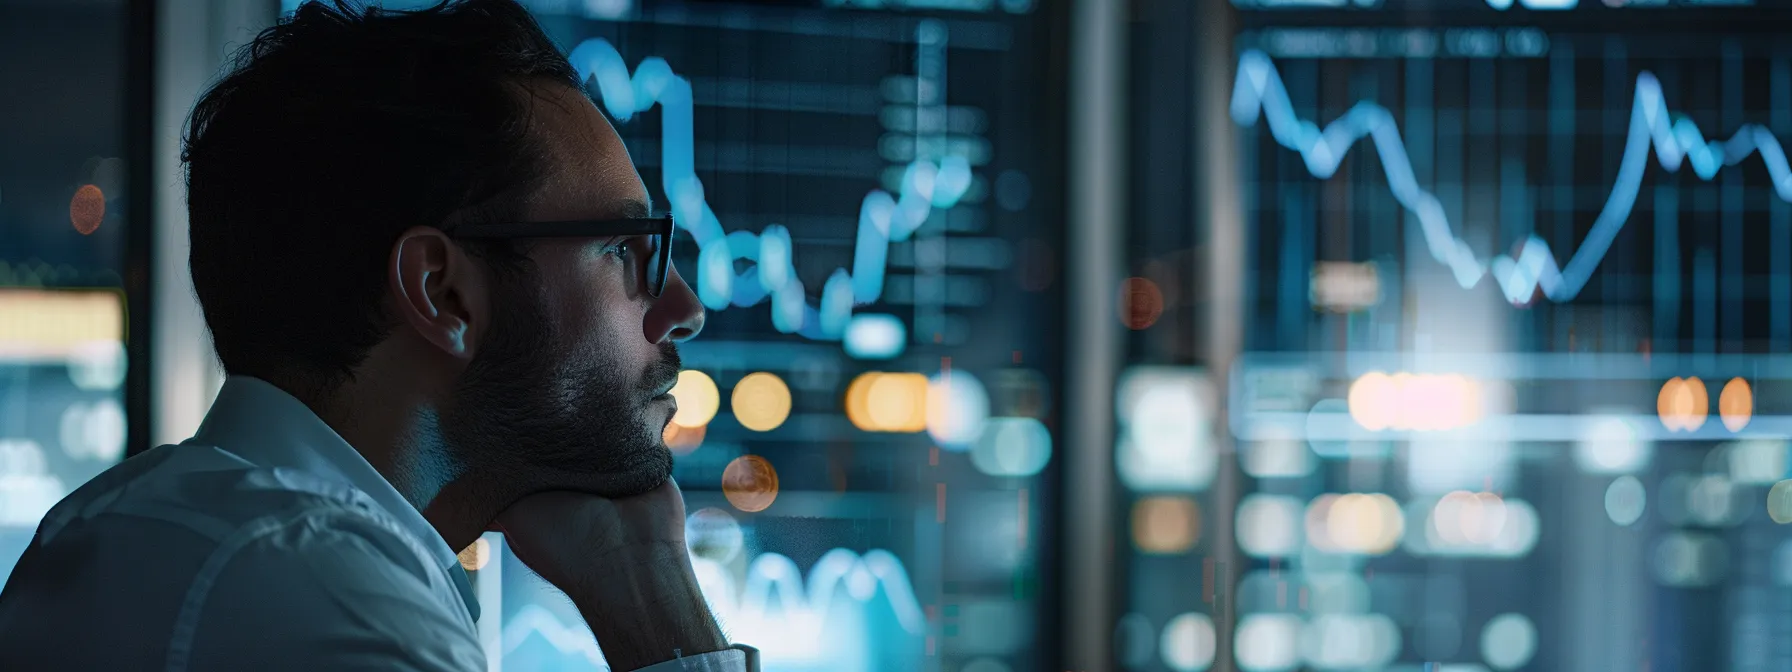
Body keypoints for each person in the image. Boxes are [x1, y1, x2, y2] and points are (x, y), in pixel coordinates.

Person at [0, 1, 757, 670]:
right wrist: (664, 621)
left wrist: (639, 566)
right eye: (622, 248)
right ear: (442, 291)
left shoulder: (148, 525)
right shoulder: (331, 610)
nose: (682, 306)